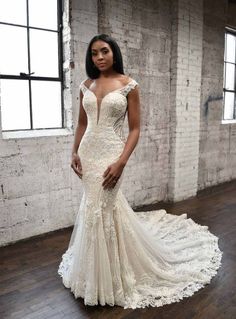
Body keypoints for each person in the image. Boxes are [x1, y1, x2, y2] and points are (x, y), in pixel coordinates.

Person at [58, 34, 223, 309]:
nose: (99, 57)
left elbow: (135, 129)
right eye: (94, 53)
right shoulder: (85, 85)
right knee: (93, 209)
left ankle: (112, 279)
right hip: (88, 154)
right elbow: (81, 124)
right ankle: (95, 274)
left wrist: (121, 162)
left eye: (104, 51)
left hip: (112, 153)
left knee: (104, 206)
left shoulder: (129, 85)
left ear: (114, 53)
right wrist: (74, 151)